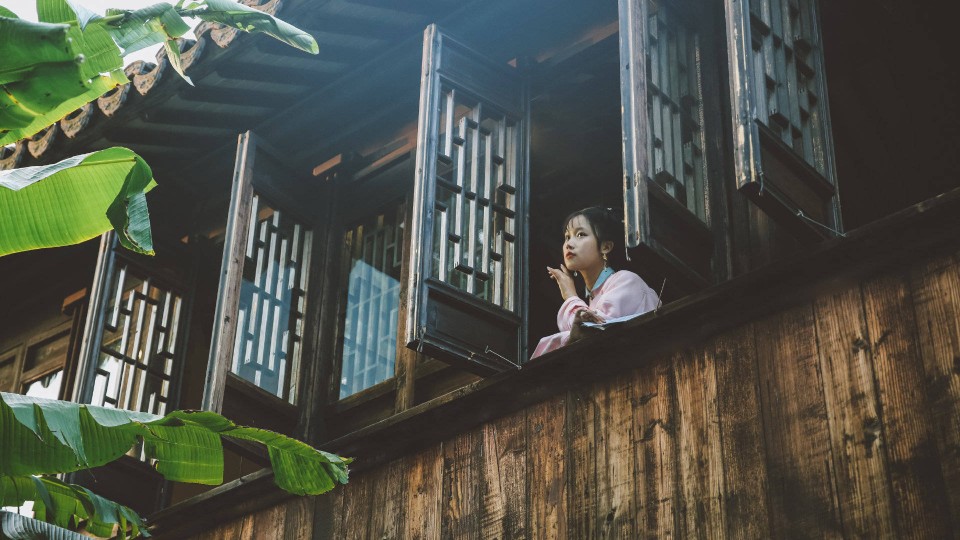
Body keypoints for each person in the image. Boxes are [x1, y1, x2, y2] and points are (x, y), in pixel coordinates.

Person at [531, 207, 659, 358]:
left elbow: (591, 334)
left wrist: (570, 295)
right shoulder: (592, 299)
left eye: (580, 234)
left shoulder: (627, 280)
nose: (569, 244)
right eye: (567, 237)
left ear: (605, 247)